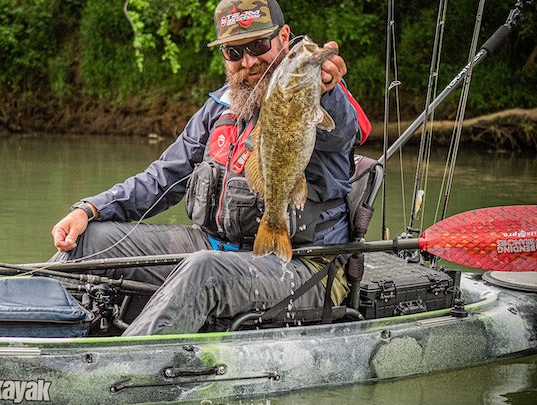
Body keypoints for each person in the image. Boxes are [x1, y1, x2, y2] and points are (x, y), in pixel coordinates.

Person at [50, 0, 360, 336]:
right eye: (234, 52)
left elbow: (342, 130)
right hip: (214, 247)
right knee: (89, 240)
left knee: (204, 269)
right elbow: (163, 177)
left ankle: (119, 370)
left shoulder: (310, 97)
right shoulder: (219, 109)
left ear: (284, 37)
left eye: (259, 45)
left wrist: (326, 89)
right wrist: (90, 208)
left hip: (304, 268)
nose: (250, 61)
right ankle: (25, 331)